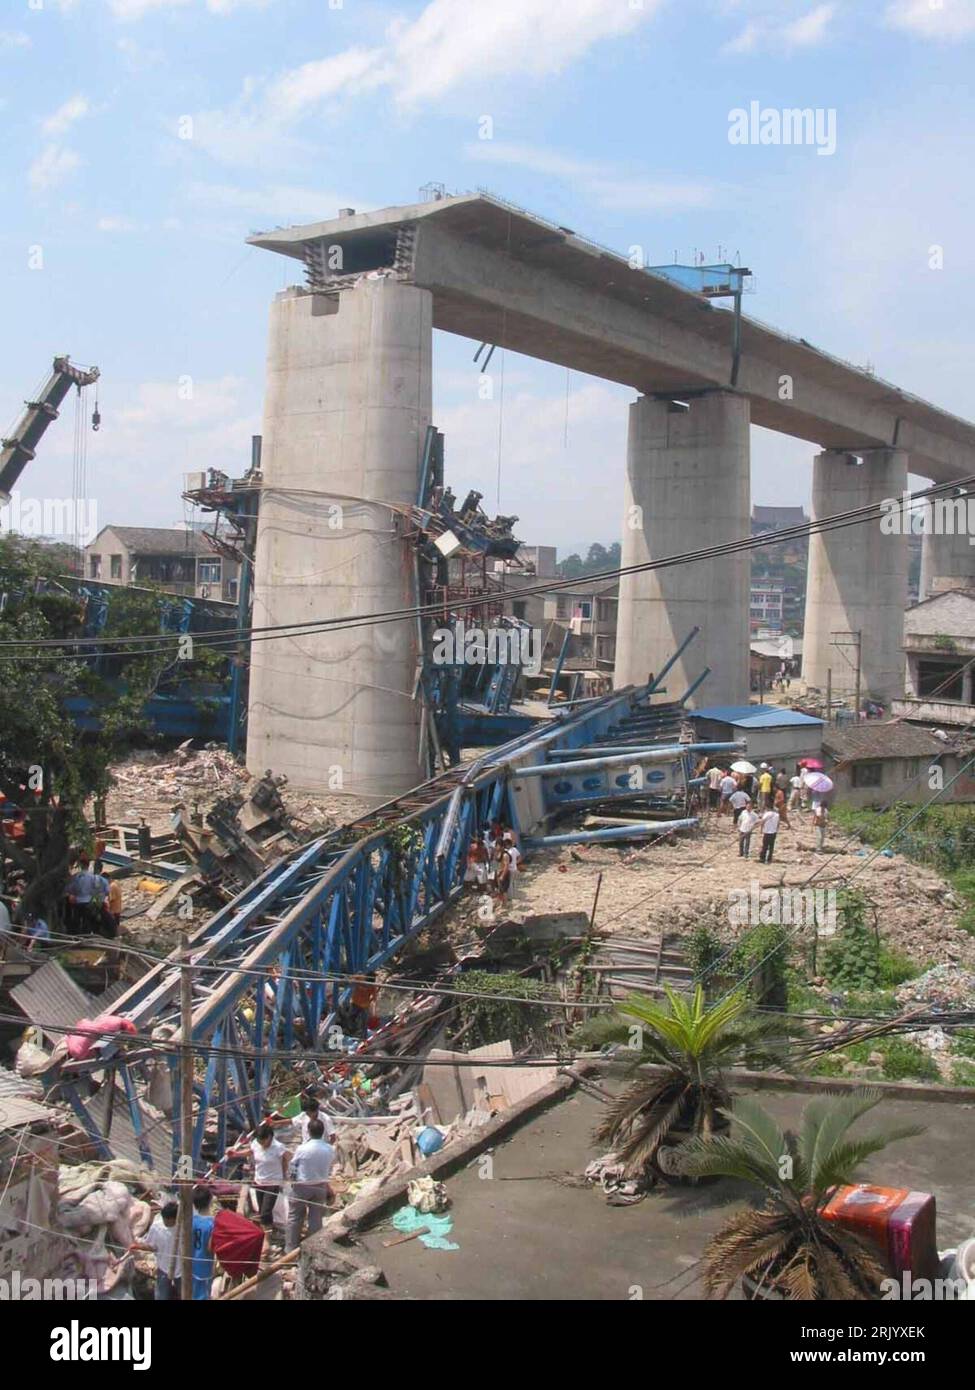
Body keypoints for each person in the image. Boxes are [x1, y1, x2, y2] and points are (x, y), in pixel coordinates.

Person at [228, 1123, 288, 1231]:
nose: (262, 1144)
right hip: (259, 1181)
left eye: (263, 1141)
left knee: (266, 1211)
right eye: (260, 1141)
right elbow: (250, 1152)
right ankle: (267, 1230)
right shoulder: (256, 1144)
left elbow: (285, 1160)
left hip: (273, 1183)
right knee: (262, 1211)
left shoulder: (278, 1147)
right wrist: (236, 1154)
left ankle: (266, 1238)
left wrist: (284, 1176)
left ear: (269, 1137)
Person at [287, 1118, 335, 1251]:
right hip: (320, 1187)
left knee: (295, 1218)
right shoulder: (329, 1149)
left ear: (308, 1132)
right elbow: (329, 1167)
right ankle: (314, 1250)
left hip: (302, 1186)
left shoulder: (302, 1148)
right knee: (316, 1219)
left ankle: (290, 1249)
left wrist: (292, 1180)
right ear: (322, 1131)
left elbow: (292, 1166)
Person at [130, 1200, 180, 1300]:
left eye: (168, 1220)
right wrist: (138, 1246)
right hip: (163, 1268)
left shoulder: (184, 1227)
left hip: (181, 1270)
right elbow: (152, 1246)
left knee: (186, 1295)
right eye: (164, 1219)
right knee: (161, 1297)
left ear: (175, 1218)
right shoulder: (157, 1227)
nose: (165, 1222)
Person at [190, 1187, 215, 1300]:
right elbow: (210, 1247)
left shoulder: (191, 1220)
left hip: (190, 1264)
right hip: (204, 1266)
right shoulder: (212, 1224)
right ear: (210, 1202)